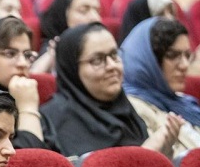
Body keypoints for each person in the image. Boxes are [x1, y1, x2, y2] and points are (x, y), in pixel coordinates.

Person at [40, 22, 183, 158]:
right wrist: (146, 153)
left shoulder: (127, 112)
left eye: (114, 55)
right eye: (97, 60)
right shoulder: (54, 121)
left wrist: (165, 153)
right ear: (72, 68)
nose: (112, 66)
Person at [0, 16, 60, 151]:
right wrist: (27, 109)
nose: (23, 63)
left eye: (27, 55)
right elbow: (25, 161)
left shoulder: (21, 97)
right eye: (10, 54)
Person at [121, 17, 200, 155]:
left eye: (187, 55)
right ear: (148, 61)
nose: (184, 65)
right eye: (172, 55)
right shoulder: (132, 109)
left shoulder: (183, 101)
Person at [30, 0, 101, 73]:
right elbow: (35, 76)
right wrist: (51, 56)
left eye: (97, 11)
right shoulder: (52, 49)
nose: (95, 18)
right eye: (83, 10)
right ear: (63, 15)